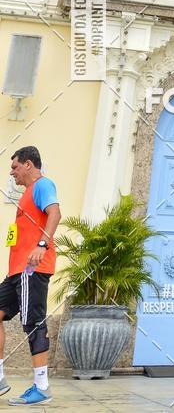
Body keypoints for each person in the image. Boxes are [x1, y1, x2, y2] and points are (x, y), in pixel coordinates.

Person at [0, 147, 61, 405]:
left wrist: (42, 245)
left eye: (14, 167)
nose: (11, 172)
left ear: (28, 164)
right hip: (16, 272)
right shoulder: (25, 195)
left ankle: (42, 387)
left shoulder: (42, 184)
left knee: (33, 323)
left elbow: (55, 213)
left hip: (32, 269)